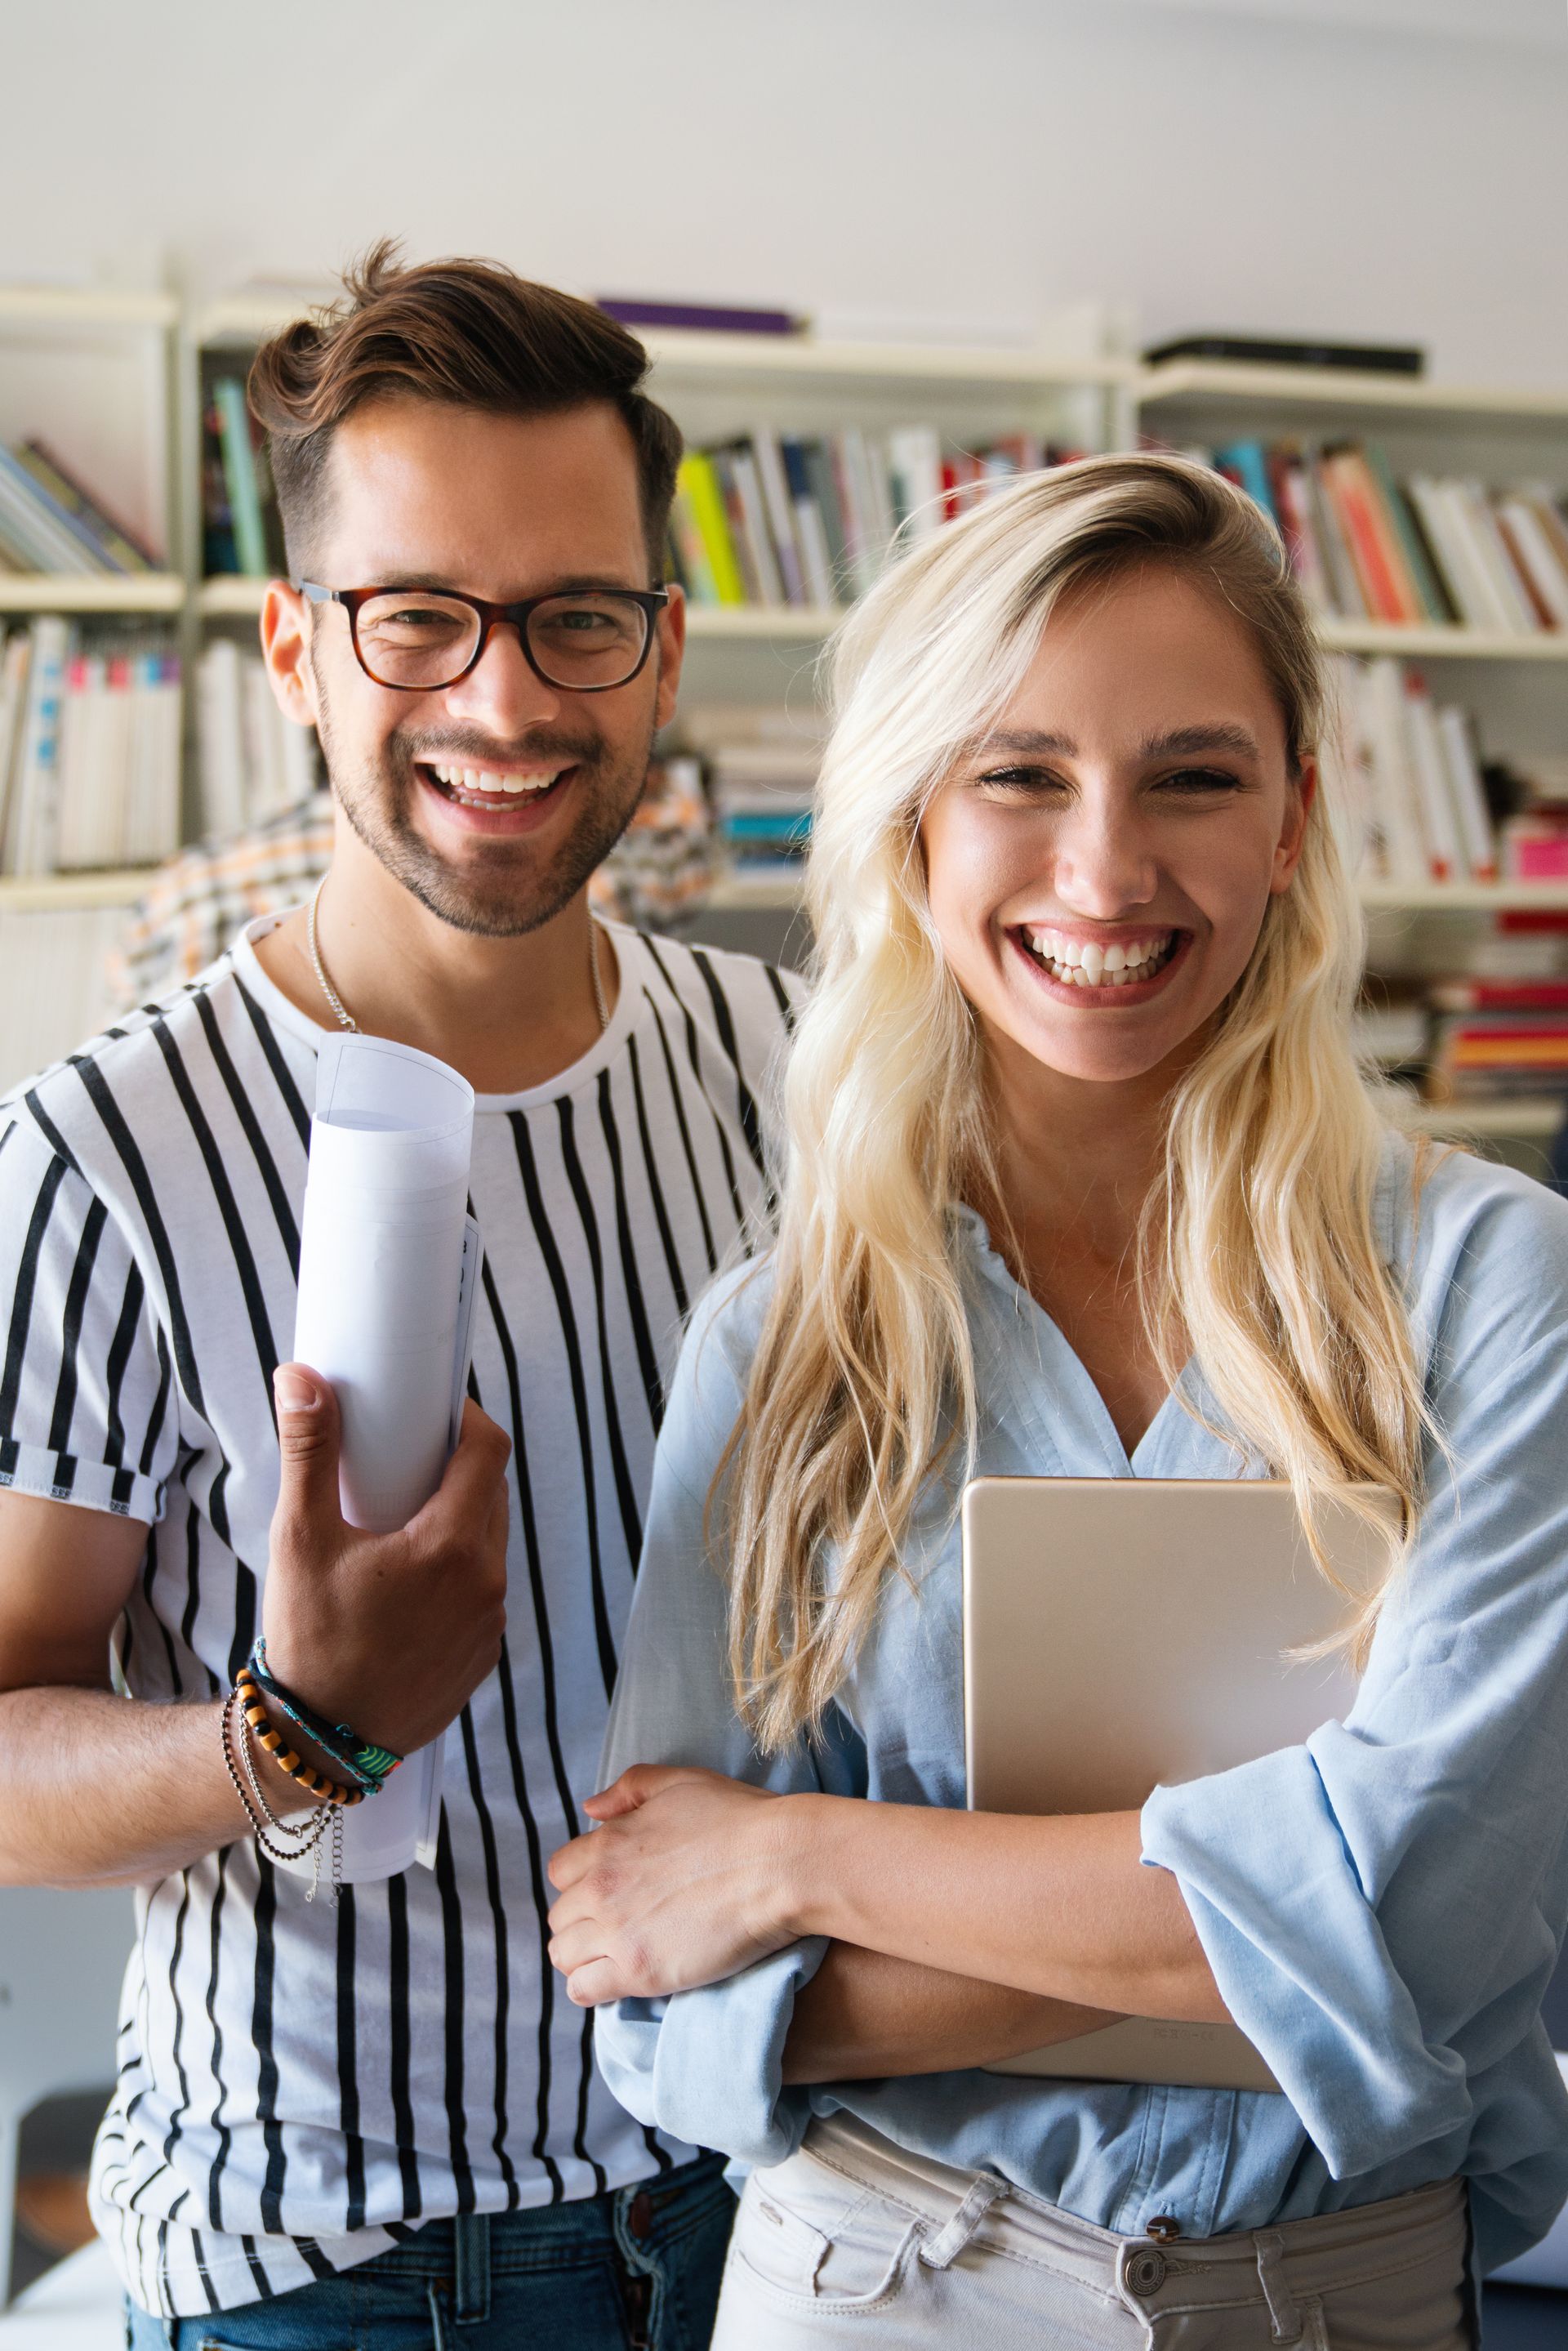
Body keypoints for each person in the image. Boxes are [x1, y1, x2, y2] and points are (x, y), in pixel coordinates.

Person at [547, 453, 1568, 2348]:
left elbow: (1419, 1914)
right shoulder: (779, 1337)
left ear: (1291, 824)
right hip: (871, 2277)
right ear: (914, 823)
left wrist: (802, 1861)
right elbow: (657, 1984)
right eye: (1021, 774)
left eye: (1193, 774)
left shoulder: (1493, 1282)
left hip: (1334, 2297)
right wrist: (1267, 1919)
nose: (1106, 870)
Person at [0, 244, 797, 2348]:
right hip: (338, 2272)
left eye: (577, 619)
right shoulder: (106, 1149)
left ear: (664, 647)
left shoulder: (794, 1069)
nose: (509, 697)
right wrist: (293, 1732)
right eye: (419, 616)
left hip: (775, 2198)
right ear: (294, 650)